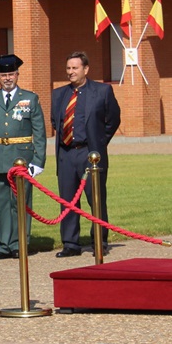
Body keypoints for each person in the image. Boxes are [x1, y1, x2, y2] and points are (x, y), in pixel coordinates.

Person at [0, 54, 47, 260]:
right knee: (1, 205)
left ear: (17, 75)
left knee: (20, 203)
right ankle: (3, 246)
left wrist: (38, 161)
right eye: (3, 75)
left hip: (21, 160)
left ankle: (19, 243)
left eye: (11, 74)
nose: (7, 78)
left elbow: (39, 132)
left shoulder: (30, 98)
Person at [50, 51, 120, 257]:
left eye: (75, 68)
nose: (70, 72)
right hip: (66, 153)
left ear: (86, 69)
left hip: (90, 153)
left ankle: (99, 240)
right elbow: (56, 122)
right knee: (68, 199)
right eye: (68, 68)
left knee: (95, 198)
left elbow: (113, 120)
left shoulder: (102, 91)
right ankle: (71, 243)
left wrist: (98, 142)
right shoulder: (59, 94)